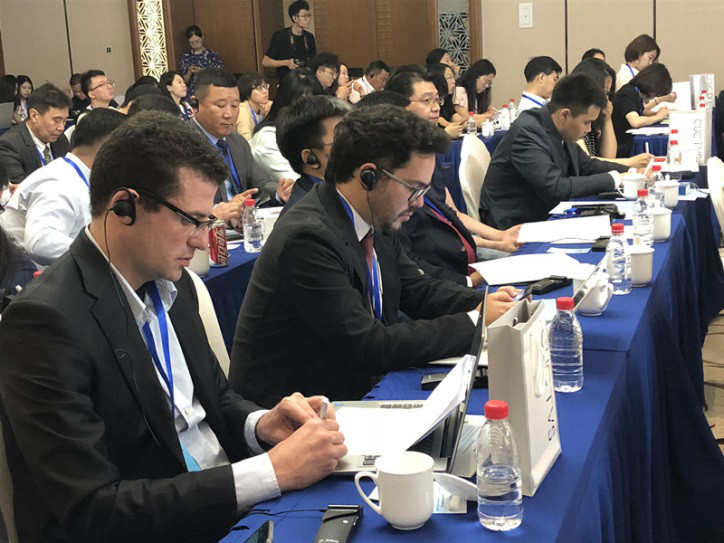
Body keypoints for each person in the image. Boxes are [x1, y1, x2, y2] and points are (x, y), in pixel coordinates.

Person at [0, 111, 347, 542]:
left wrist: (259, 426)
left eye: (207, 222)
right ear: (124, 206)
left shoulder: (173, 284)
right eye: (191, 220)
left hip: (224, 506)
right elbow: (92, 508)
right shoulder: (44, 322)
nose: (202, 240)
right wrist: (270, 473)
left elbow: (213, 398)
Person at [229, 104, 519, 407]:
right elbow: (369, 344)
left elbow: (418, 290)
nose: (419, 203)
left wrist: (481, 303)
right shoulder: (308, 239)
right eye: (414, 189)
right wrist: (474, 321)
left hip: (354, 388)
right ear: (369, 177)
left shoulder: (373, 216)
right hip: (297, 412)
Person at [386, 69, 518, 286]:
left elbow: (453, 215)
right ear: (401, 107)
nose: (436, 107)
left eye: (437, 100)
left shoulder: (429, 154)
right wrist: (468, 280)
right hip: (441, 270)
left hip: (459, 252)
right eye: (427, 100)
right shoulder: (395, 170)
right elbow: (420, 256)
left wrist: (500, 236)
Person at [480, 74, 630, 229]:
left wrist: (632, 172)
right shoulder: (527, 132)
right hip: (514, 224)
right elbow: (555, 188)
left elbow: (587, 165)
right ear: (564, 115)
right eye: (586, 122)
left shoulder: (559, 127)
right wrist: (614, 179)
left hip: (542, 213)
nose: (589, 129)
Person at [0, 109, 126, 267]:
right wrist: (106, 254)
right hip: (22, 275)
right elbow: (41, 243)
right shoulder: (60, 182)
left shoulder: (79, 174)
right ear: (109, 148)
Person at [190, 68, 285, 220]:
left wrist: (279, 192)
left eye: (234, 106)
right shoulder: (181, 145)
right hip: (208, 231)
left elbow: (261, 183)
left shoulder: (237, 141)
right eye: (220, 105)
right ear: (195, 104)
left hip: (243, 227)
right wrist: (215, 212)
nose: (228, 114)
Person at [571, 58, 653, 168]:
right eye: (603, 92)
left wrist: (607, 119)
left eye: (608, 93)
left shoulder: (594, 118)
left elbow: (609, 157)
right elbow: (586, 162)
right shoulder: (572, 115)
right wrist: (631, 162)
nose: (606, 98)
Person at [277, 95, 352, 210]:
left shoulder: (334, 195)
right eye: (341, 141)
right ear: (311, 159)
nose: (353, 146)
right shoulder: (309, 217)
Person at [250, 69, 320, 188]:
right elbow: (296, 183)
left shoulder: (313, 132)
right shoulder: (267, 137)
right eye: (302, 103)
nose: (310, 110)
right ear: (285, 102)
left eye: (315, 103)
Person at [0, 83, 71, 185]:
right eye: (56, 120)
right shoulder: (9, 145)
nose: (61, 127)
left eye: (64, 121)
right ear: (34, 115)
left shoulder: (61, 139)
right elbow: (22, 191)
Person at [612, 63, 675, 158]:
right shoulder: (627, 93)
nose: (655, 96)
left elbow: (640, 110)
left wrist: (656, 113)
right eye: (657, 93)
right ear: (652, 85)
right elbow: (635, 121)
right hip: (621, 146)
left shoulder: (635, 92)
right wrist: (658, 116)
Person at [263, 0, 316, 80]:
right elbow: (266, 62)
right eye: (305, 16)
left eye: (309, 16)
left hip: (305, 81)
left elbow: (314, 60)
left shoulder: (309, 37)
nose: (308, 19)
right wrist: (286, 63)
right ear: (295, 18)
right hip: (286, 81)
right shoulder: (280, 36)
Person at [178, 25, 224, 97]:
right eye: (192, 43)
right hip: (191, 94)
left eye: (197, 41)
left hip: (210, 92)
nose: (195, 44)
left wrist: (202, 71)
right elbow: (183, 81)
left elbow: (220, 76)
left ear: (202, 37)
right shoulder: (185, 57)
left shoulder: (212, 55)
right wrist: (189, 72)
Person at [454, 59, 496, 126]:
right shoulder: (459, 90)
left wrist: (489, 113)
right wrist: (488, 116)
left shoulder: (479, 92)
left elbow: (489, 110)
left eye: (489, 83)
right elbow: (466, 117)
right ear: (475, 75)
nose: (486, 86)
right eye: (486, 81)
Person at [427, 62, 465, 135]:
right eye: (449, 77)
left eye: (453, 77)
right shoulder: (432, 106)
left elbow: (461, 121)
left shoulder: (447, 99)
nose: (454, 81)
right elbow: (449, 126)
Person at [235, 72, 270, 140]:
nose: (265, 91)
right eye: (259, 88)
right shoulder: (242, 111)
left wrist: (265, 115)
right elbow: (246, 141)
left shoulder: (262, 108)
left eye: (266, 86)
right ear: (247, 92)